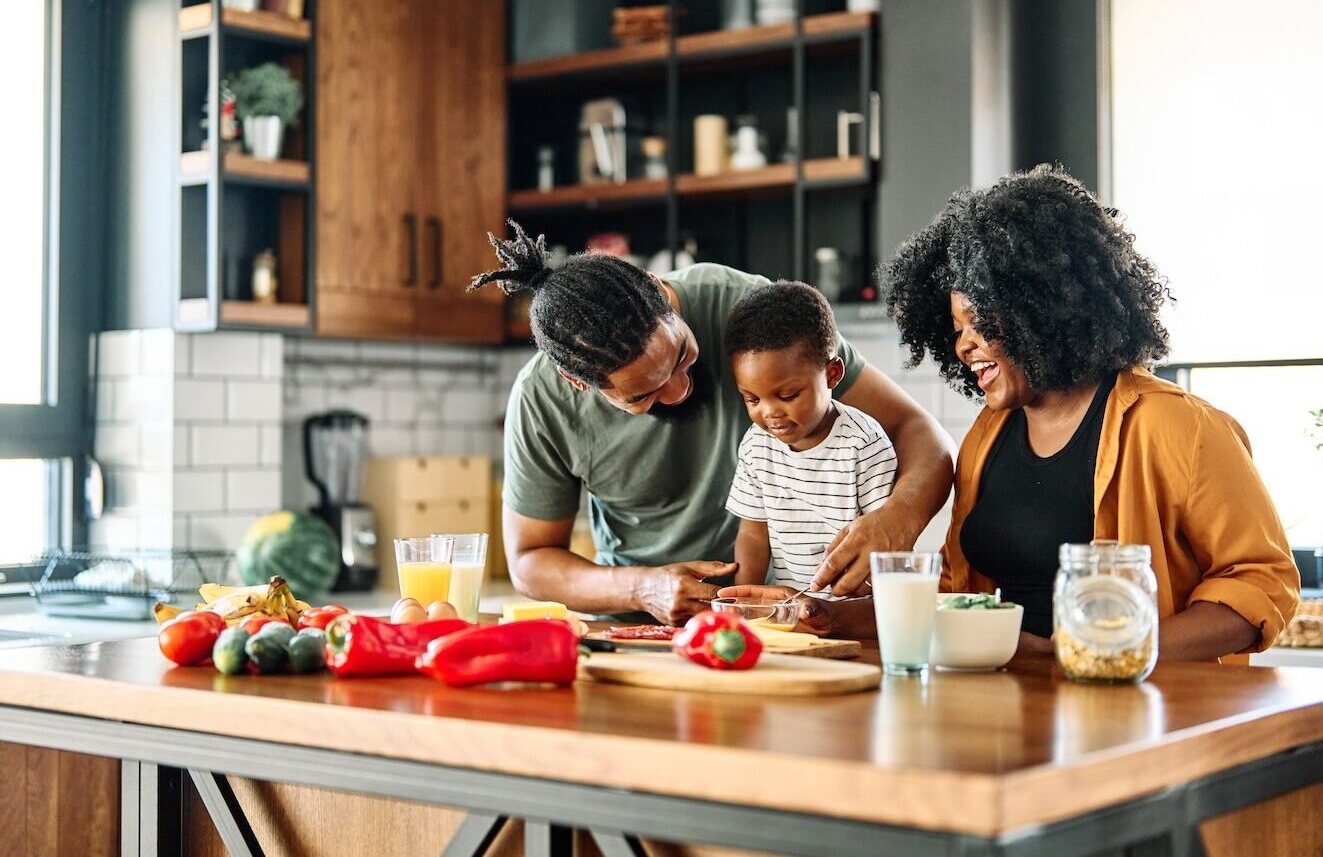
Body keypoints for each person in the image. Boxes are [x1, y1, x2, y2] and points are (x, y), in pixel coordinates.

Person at [721, 165, 1299, 661]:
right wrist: (825, 615)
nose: (964, 346)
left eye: (983, 324)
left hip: (1136, 715)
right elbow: (954, 596)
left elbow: (1261, 584)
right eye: (956, 330)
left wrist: (1099, 650)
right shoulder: (988, 436)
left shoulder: (1178, 427)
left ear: (1044, 309)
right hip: (1007, 707)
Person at [468, 222, 955, 625]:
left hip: (790, 622)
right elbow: (530, 562)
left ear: (660, 290)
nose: (680, 389)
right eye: (642, 394)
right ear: (578, 383)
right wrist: (643, 588)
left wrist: (896, 521)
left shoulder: (750, 313)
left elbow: (921, 433)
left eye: (682, 355)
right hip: (646, 632)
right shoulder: (541, 401)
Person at [723, 280, 898, 593]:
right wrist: (744, 601)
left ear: (832, 374)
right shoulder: (756, 445)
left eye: (788, 395)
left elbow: (883, 545)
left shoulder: (864, 444)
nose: (770, 412)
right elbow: (753, 534)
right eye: (752, 399)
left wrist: (849, 605)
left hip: (855, 610)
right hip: (790, 612)